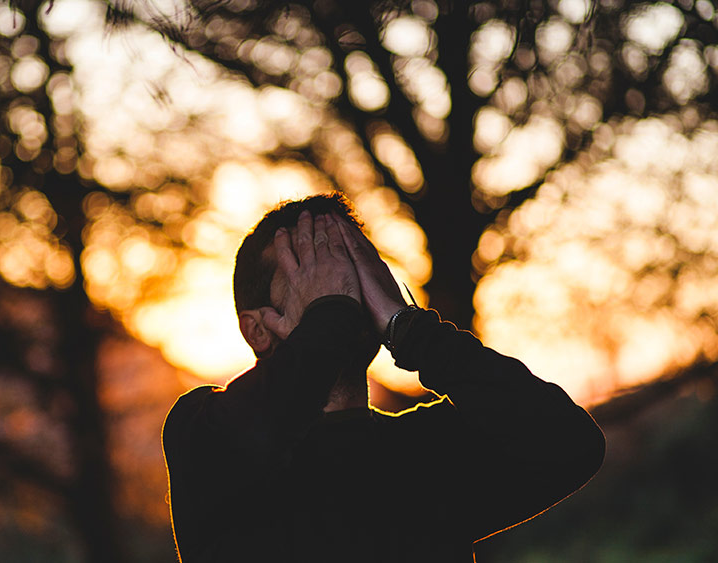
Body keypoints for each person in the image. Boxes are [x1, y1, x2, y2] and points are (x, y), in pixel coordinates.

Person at [162, 194, 605, 562]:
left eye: (353, 266)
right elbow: (258, 431)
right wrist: (331, 313)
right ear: (256, 329)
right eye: (315, 272)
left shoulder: (429, 450)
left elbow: (571, 443)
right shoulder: (202, 433)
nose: (345, 287)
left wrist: (409, 329)